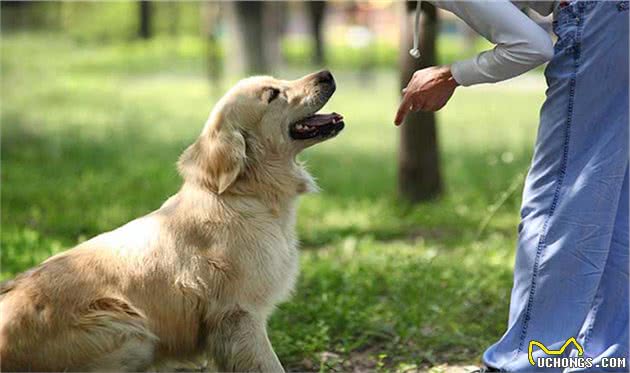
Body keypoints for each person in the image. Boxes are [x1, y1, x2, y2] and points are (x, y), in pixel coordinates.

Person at [395, 1, 629, 371]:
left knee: (557, 198)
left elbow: (532, 45)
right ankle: (609, 358)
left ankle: (523, 363)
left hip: (602, 16)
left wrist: (452, 74)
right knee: (614, 205)